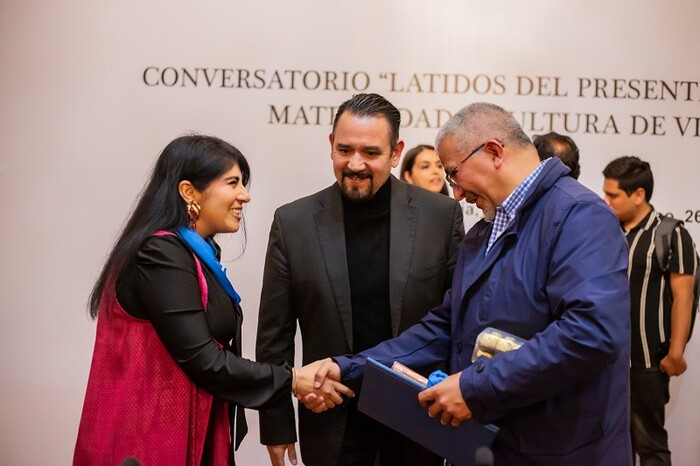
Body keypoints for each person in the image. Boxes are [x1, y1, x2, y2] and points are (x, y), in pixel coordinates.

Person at [310, 102, 633, 465]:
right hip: (491, 449)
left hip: (563, 451)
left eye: (454, 174)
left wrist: (473, 388)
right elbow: (446, 328)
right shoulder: (482, 233)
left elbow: (591, 333)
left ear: (494, 151)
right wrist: (351, 367)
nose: (457, 193)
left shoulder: (579, 215)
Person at [73, 135, 348, 466]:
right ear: (189, 192)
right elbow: (204, 360)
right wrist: (292, 379)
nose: (244, 196)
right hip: (151, 440)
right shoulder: (161, 254)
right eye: (233, 183)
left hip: (194, 430)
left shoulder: (196, 254)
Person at [255, 93, 465, 466]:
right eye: (344, 149)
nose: (355, 164)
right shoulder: (293, 223)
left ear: (396, 152)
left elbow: (457, 322)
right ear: (330, 146)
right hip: (331, 418)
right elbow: (275, 338)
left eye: (370, 152)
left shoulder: (440, 216)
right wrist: (277, 424)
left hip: (418, 420)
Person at [603, 156, 698, 466]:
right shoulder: (606, 231)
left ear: (639, 195)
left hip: (647, 363)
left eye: (613, 195)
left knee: (650, 445)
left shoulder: (671, 235)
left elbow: (684, 298)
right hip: (606, 360)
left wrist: (675, 353)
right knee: (611, 445)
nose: (606, 200)